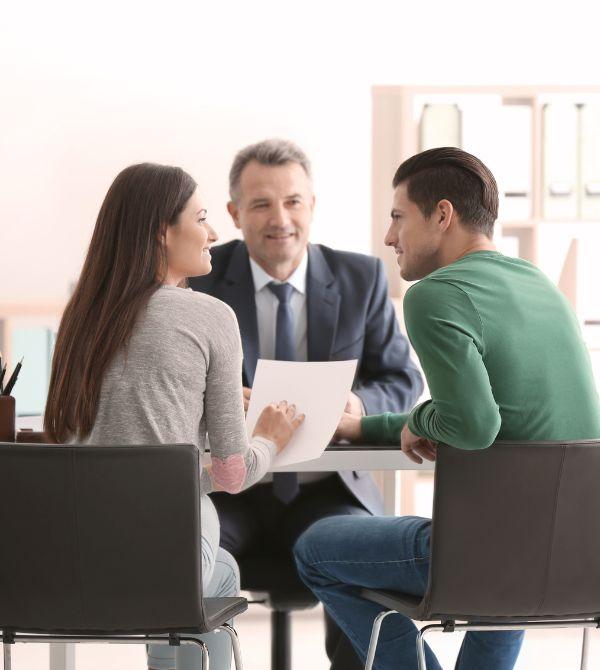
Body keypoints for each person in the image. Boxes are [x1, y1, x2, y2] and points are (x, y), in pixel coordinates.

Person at [293, 146, 600, 669]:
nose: (389, 237)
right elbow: (484, 412)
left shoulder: (436, 294)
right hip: (575, 560)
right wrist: (371, 425)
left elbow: (475, 425)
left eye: (397, 217)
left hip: (483, 557)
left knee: (315, 547)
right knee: (504, 572)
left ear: (442, 214)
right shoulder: (540, 286)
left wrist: (421, 419)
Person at [44, 162, 304, 670]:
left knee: (220, 568)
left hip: (73, 557)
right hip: (164, 560)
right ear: (162, 232)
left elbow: (88, 448)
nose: (213, 233)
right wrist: (270, 439)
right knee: (218, 578)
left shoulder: (80, 317)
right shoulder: (210, 316)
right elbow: (232, 474)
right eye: (203, 218)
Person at [189, 138, 423, 669]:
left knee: (365, 561)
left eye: (293, 201)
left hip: (327, 489)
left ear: (312, 205)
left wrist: (359, 406)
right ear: (233, 213)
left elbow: (402, 377)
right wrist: (219, 400)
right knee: (180, 555)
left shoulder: (360, 278)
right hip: (232, 487)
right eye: (261, 204)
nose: (280, 219)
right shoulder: (201, 281)